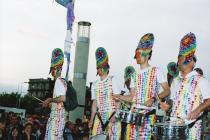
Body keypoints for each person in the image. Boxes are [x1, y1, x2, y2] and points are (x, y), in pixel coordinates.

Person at [114, 33, 170, 139]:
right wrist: (119, 97)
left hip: (148, 114)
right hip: (134, 114)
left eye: (139, 54)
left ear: (147, 55)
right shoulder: (134, 75)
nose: (137, 57)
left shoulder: (156, 70)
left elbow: (167, 90)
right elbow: (132, 97)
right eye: (137, 54)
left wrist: (153, 99)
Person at [160, 33, 210, 140]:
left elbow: (209, 100)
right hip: (174, 127)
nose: (178, 62)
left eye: (181, 58)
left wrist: (197, 110)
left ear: (192, 62)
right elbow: (173, 102)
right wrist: (167, 106)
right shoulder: (177, 82)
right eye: (178, 59)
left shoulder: (201, 80)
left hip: (191, 130)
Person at [89, 47, 121, 140]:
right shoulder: (94, 84)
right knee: (96, 138)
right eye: (98, 67)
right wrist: (91, 119)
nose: (99, 69)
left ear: (106, 68)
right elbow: (95, 103)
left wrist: (116, 115)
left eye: (100, 67)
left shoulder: (112, 80)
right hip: (99, 116)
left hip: (112, 115)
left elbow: (118, 100)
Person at [42, 48, 67, 140]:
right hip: (57, 118)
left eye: (53, 69)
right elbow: (60, 103)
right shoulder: (61, 81)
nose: (52, 72)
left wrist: (50, 100)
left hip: (56, 120)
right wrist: (50, 104)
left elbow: (63, 98)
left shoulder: (59, 81)